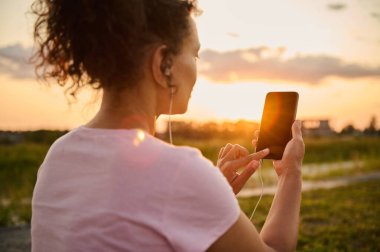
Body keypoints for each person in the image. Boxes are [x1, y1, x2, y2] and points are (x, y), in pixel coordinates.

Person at [31, 0, 305, 251]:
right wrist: (290, 175)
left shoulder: (57, 156)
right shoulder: (181, 173)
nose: (197, 69)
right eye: (195, 55)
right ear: (164, 63)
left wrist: (208, 196)